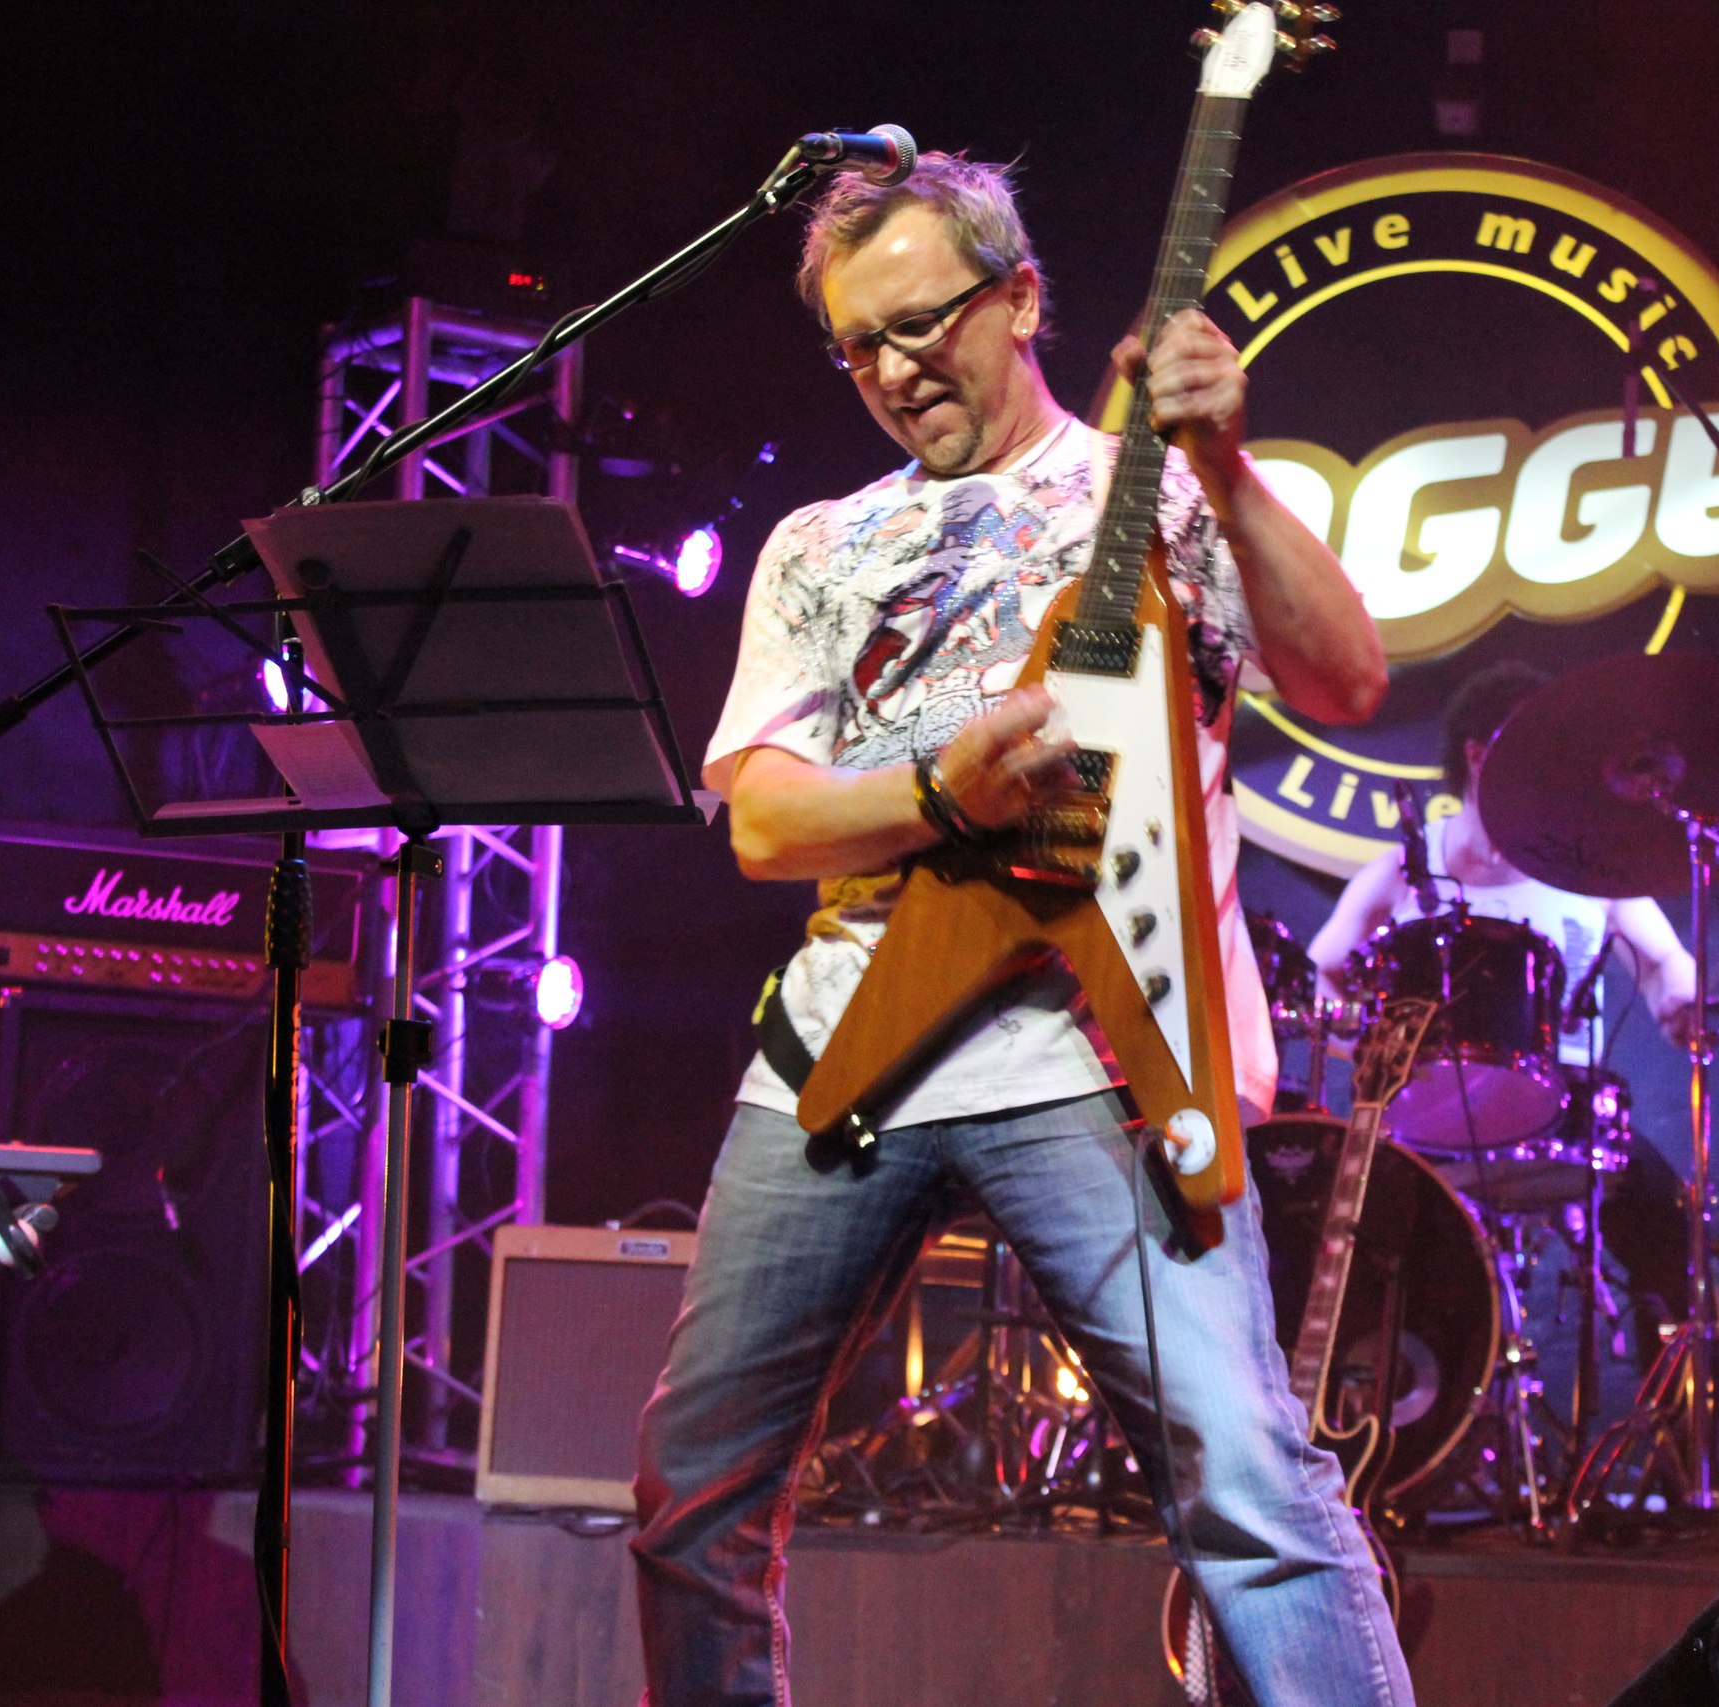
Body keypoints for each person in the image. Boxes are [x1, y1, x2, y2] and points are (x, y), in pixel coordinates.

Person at [629, 155, 1411, 1707]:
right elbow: (766, 822)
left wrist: (1229, 464)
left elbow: (1348, 681)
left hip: (1100, 1056)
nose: (895, 369)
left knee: (1249, 1488)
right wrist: (942, 789)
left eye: (922, 323)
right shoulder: (819, 543)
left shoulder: (1168, 493)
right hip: (842, 1057)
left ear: (1024, 295)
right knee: (689, 1491)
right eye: (860, 344)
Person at [1304, 661, 1698, 1347]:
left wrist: (1681, 1001)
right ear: (1479, 755)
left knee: (1667, 1222)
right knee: (1377, 1254)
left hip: (1566, 1109)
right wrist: (1363, 1046)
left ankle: (1676, 1389)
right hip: (1426, 1118)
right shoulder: (1407, 865)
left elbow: (1665, 960)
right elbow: (1324, 973)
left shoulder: (1588, 860)